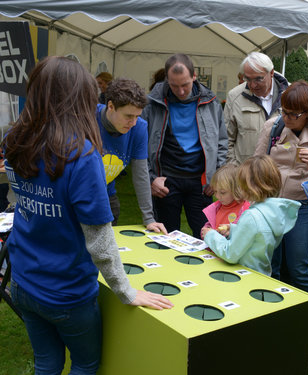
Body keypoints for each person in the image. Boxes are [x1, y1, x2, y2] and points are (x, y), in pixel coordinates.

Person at [2, 56, 173, 375]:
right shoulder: (81, 156)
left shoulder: (16, 140)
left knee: (47, 363)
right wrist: (126, 291)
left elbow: (19, 201)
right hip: (65, 291)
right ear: (80, 98)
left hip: (24, 279)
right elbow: (100, 240)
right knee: (84, 363)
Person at [254, 80, 308, 345]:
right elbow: (255, 163)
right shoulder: (273, 127)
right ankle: (278, 315)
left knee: (298, 267)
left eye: (294, 114)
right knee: (273, 266)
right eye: (284, 111)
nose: (287, 118)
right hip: (270, 206)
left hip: (301, 207)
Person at [142, 53, 228, 239]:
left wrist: (216, 176)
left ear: (194, 76)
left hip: (201, 183)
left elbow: (221, 142)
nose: (180, 91)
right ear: (166, 79)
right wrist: (150, 179)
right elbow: (140, 146)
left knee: (206, 237)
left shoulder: (211, 102)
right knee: (164, 238)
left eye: (185, 85)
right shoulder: (152, 104)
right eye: (174, 85)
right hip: (166, 183)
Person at [202, 155, 300, 276]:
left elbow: (230, 254)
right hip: (260, 273)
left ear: (250, 187)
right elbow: (258, 236)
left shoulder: (251, 216)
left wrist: (210, 235)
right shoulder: (273, 211)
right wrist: (233, 229)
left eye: (241, 184)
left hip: (243, 275)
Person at [96, 78, 167, 233]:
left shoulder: (139, 128)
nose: (133, 122)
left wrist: (149, 218)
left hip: (107, 198)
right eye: (128, 116)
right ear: (111, 106)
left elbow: (141, 174)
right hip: (77, 198)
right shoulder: (87, 119)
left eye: (137, 116)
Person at [225, 52, 288, 166]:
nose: (253, 85)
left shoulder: (290, 95)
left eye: (258, 79)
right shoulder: (234, 97)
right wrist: (234, 170)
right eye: (248, 79)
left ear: (272, 73)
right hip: (244, 176)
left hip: (281, 177)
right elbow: (226, 139)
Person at [200, 164, 250, 238]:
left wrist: (213, 235)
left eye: (222, 192)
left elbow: (241, 236)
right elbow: (211, 223)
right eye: (215, 191)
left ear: (236, 190)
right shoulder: (217, 207)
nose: (217, 196)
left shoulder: (245, 210)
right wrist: (206, 229)